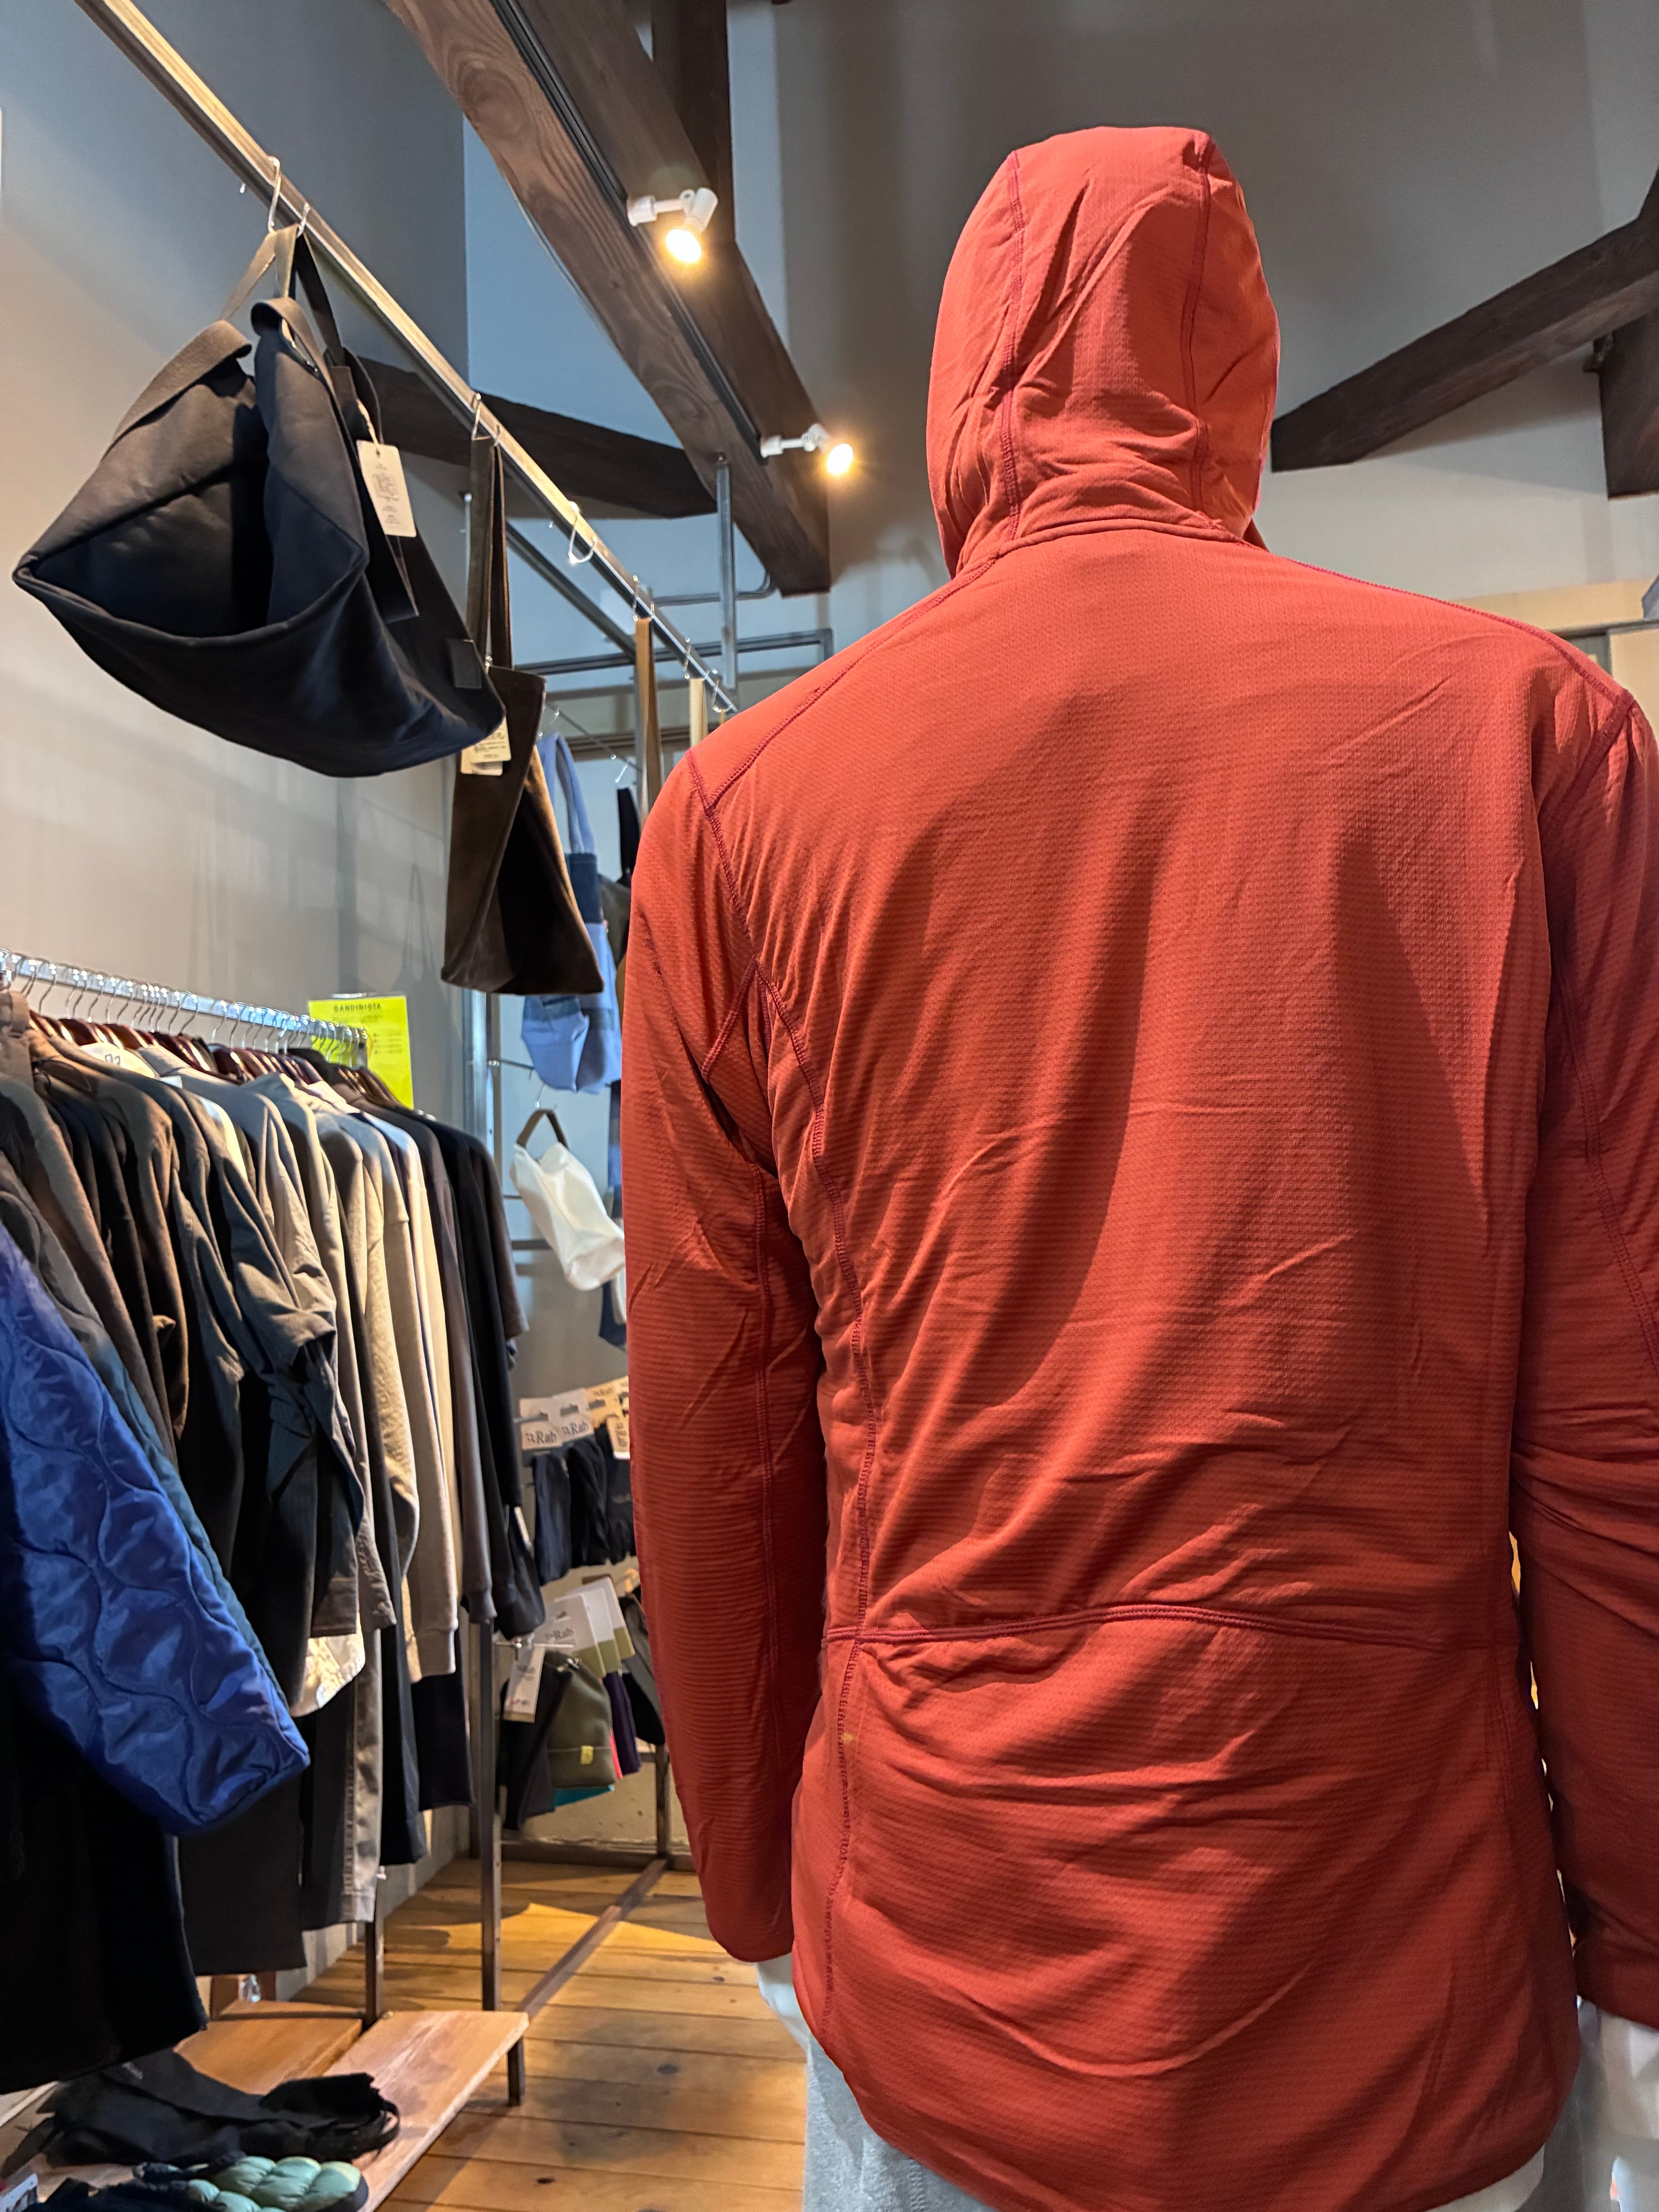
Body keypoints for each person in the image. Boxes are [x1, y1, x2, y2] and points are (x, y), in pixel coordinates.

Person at [622, 126, 1659, 2212]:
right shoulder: (1538, 739)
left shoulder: (740, 816)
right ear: (1239, 380)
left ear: (962, 383)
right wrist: (1643, 1942)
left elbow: (719, 1446)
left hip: (948, 1949)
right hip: (1399, 1953)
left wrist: (751, 1882)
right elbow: (1620, 1433)